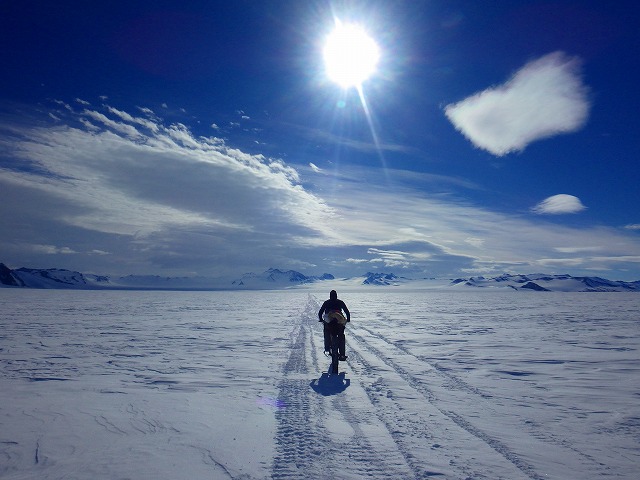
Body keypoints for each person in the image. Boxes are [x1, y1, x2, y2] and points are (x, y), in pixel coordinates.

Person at [318, 290, 350, 361]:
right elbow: (346, 311)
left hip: (329, 322)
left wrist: (321, 319)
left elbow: (320, 312)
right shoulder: (340, 302)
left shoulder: (326, 302)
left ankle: (327, 348)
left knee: (327, 332)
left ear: (330, 295)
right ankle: (342, 354)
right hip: (339, 321)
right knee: (341, 335)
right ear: (336, 295)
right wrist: (348, 319)